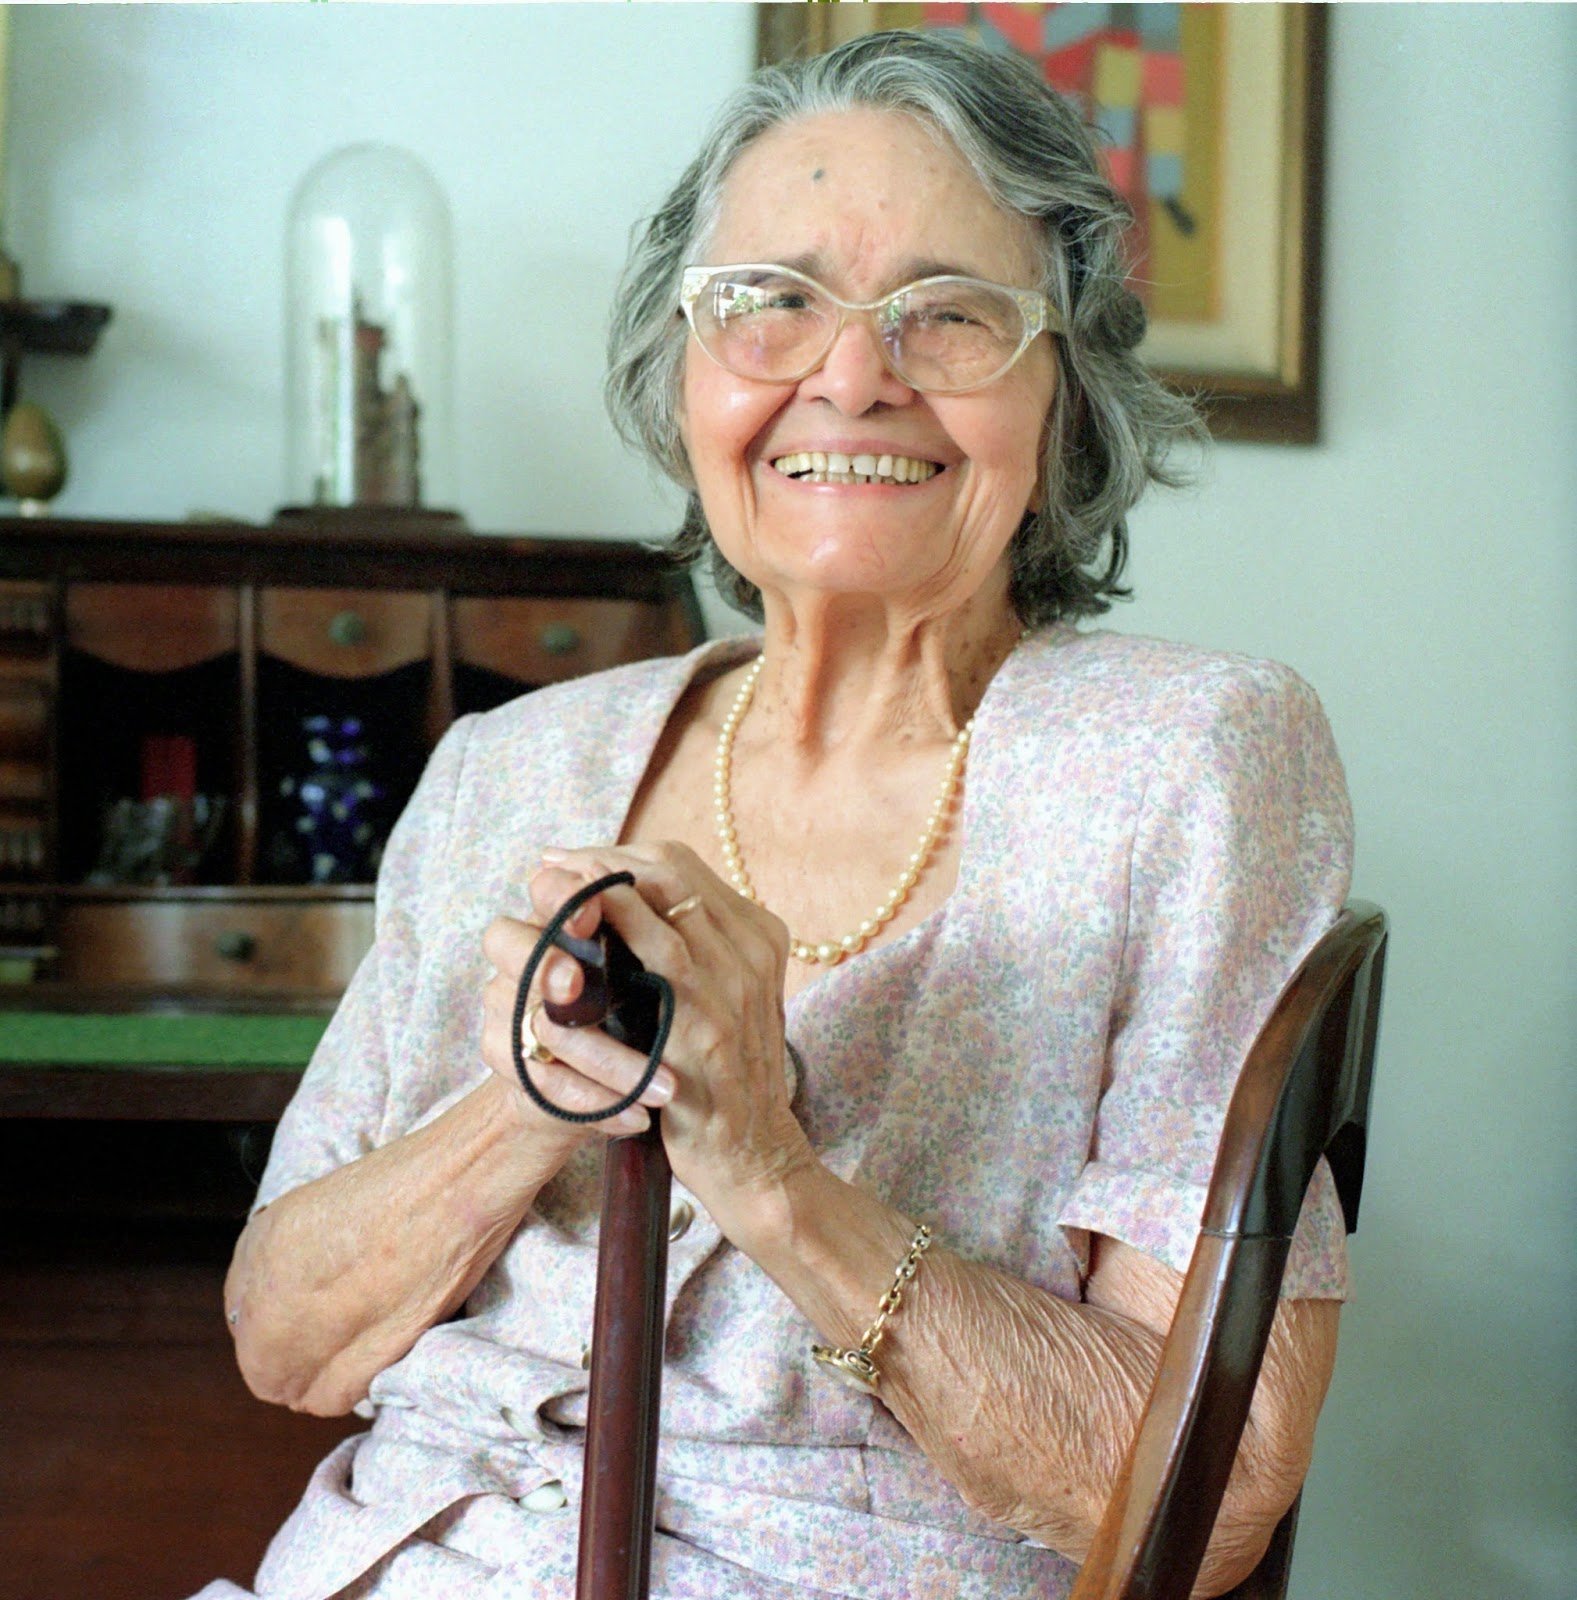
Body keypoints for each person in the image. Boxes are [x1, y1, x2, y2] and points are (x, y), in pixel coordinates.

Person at [198, 30, 1353, 1600]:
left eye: (950, 314)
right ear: (680, 372)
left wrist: (763, 1165)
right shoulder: (509, 767)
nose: (853, 375)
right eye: (770, 301)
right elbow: (286, 1343)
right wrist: (535, 1104)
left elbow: (1203, 1502)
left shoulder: (1185, 763)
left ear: (1062, 392)